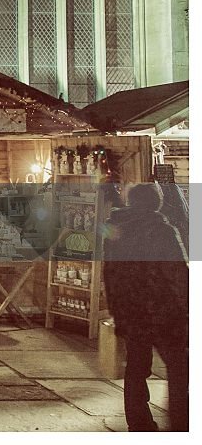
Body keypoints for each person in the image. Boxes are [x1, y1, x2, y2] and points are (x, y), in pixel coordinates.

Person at [103, 183, 188, 432]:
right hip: (163, 312)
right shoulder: (162, 231)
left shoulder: (114, 229)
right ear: (154, 202)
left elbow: (110, 273)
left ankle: (139, 423)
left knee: (136, 368)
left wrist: (117, 310)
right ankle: (181, 422)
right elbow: (177, 273)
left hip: (131, 312)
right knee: (179, 367)